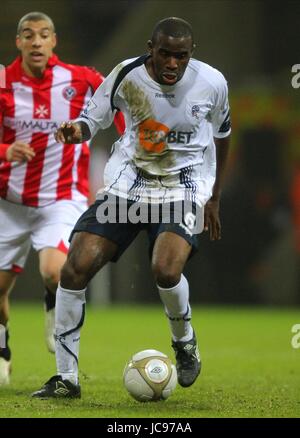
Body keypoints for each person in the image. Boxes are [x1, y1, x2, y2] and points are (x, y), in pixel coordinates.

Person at [32, 16, 231, 399]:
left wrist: (215, 196)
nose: (173, 63)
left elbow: (223, 134)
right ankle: (66, 378)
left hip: (183, 186)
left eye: (181, 56)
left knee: (164, 268)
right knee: (73, 270)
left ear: (192, 54)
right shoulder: (127, 73)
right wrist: (77, 130)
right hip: (129, 184)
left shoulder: (213, 83)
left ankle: (184, 339)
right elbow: (94, 118)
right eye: (165, 55)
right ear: (150, 49)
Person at [0, 11, 125, 385]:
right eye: (28, 35)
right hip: (8, 202)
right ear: (18, 42)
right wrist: (5, 150)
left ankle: (53, 300)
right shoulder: (3, 84)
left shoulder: (82, 79)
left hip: (61, 197)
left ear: (54, 41)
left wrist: (130, 146)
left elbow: (123, 106)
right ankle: (3, 348)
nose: (36, 42)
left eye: (43, 35)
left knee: (56, 271)